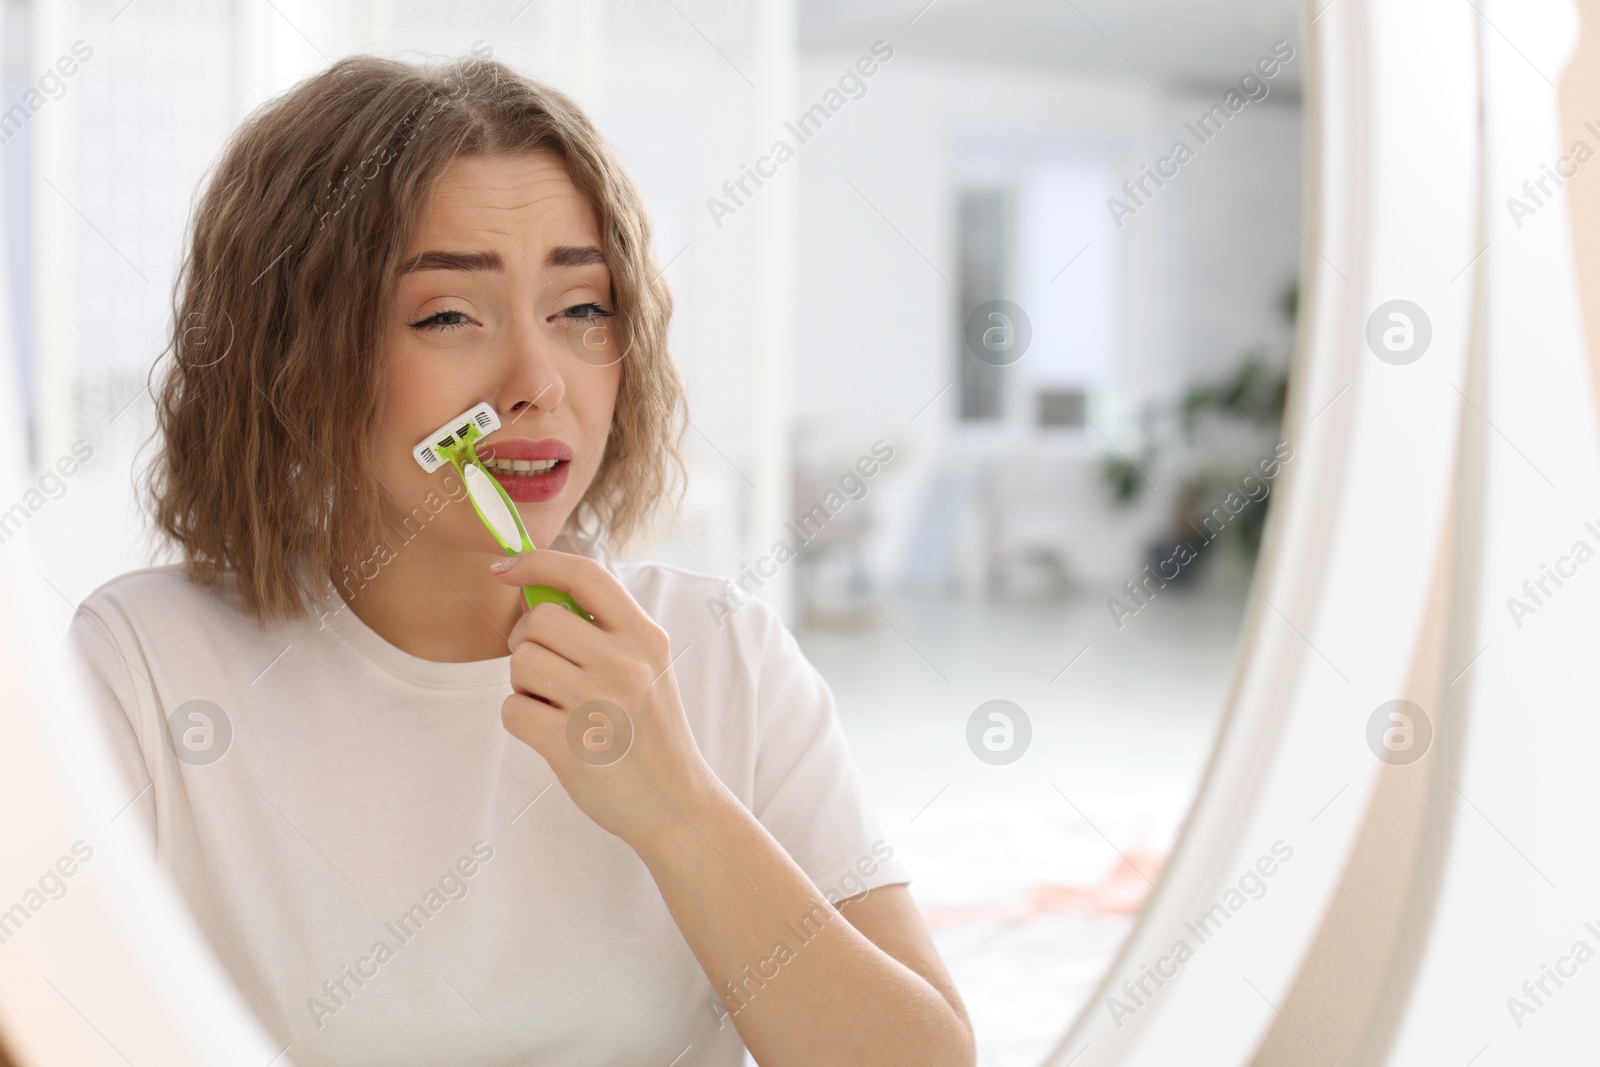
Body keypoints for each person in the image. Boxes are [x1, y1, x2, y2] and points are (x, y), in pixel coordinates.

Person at [67, 51, 974, 1067]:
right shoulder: (144, 666)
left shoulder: (727, 657)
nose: (537, 380)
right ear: (298, 357)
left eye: (582, 309)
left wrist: (678, 810)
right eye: (449, 315)